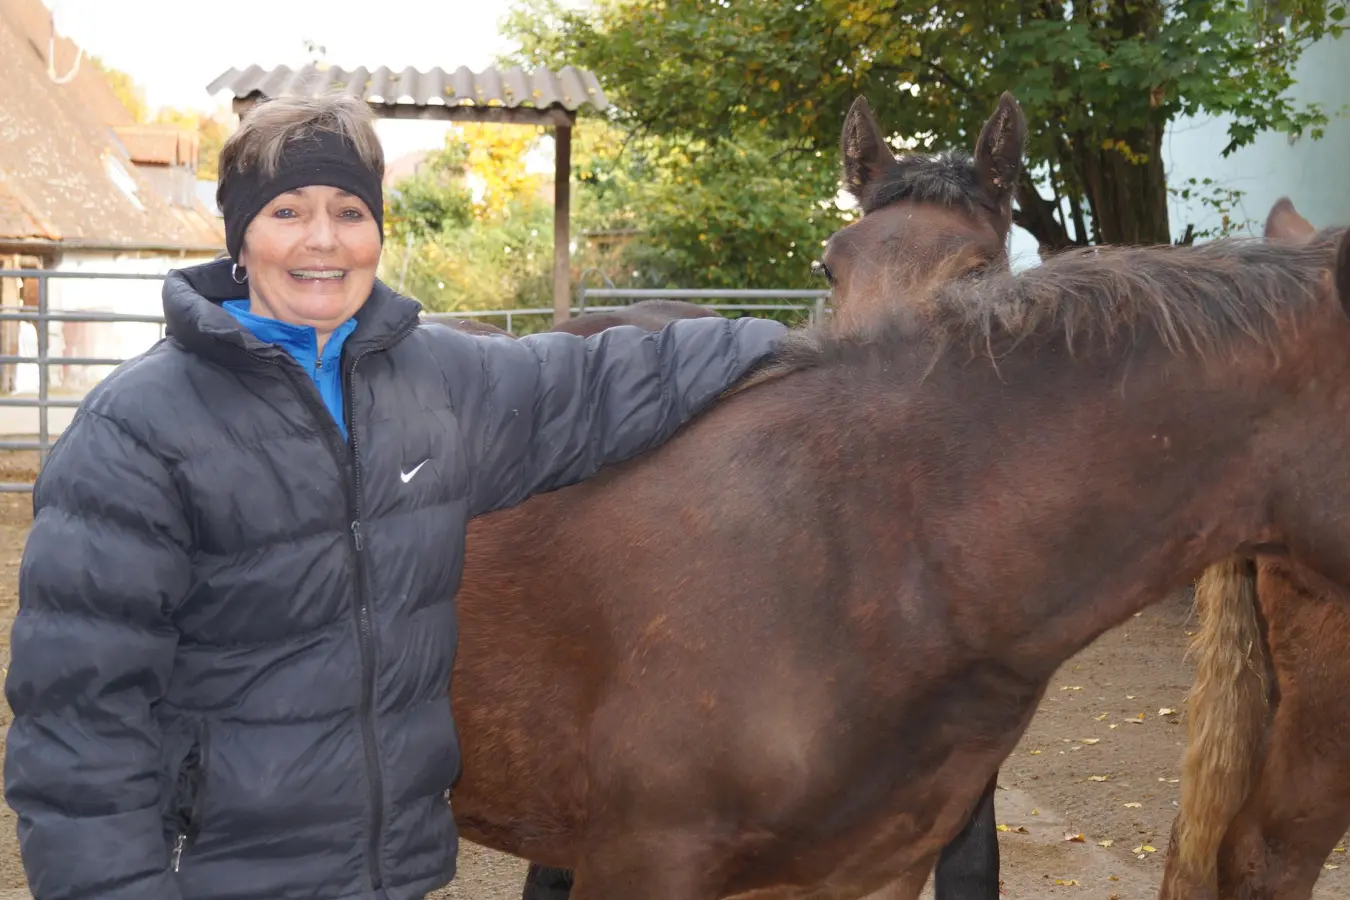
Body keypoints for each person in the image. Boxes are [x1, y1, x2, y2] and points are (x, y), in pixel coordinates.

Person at [2, 93, 787, 900]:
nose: (322, 239)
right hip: (221, 872)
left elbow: (602, 382)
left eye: (349, 210)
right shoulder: (137, 429)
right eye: (287, 210)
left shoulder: (438, 383)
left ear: (377, 231)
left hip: (390, 874)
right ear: (241, 237)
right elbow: (79, 725)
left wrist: (817, 346)